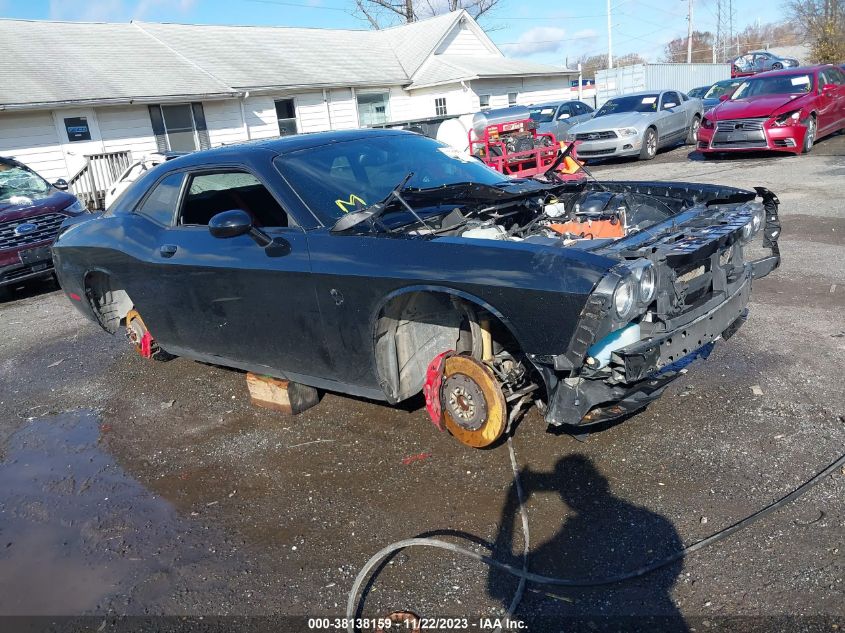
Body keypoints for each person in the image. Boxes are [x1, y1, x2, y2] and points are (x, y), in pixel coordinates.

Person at [487, 454, 688, 632]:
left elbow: (496, 585)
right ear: (601, 481)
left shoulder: (580, 528)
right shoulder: (658, 523)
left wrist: (510, 508)